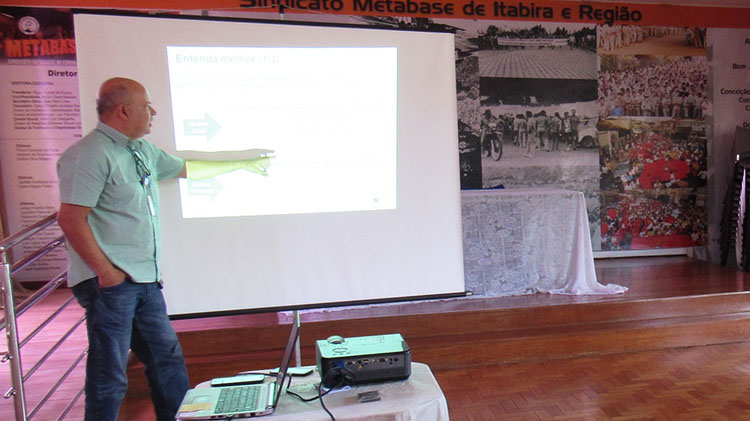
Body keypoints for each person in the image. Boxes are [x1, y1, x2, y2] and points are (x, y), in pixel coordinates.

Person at [56, 77, 271, 421]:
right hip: (110, 284)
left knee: (166, 361)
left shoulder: (140, 151)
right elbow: (70, 218)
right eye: (146, 106)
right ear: (123, 110)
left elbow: (185, 169)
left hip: (145, 280)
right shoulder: (89, 155)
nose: (153, 112)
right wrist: (106, 273)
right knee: (109, 376)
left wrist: (242, 164)